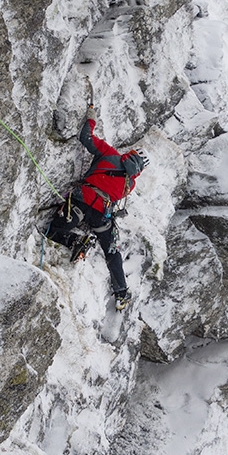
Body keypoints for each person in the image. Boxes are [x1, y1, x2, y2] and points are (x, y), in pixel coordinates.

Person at [45, 106, 149, 310]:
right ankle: (121, 293)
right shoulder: (131, 183)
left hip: (81, 202)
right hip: (102, 215)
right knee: (111, 252)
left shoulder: (110, 154)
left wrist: (91, 117)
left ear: (131, 154)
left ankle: (76, 240)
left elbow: (86, 137)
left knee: (53, 230)